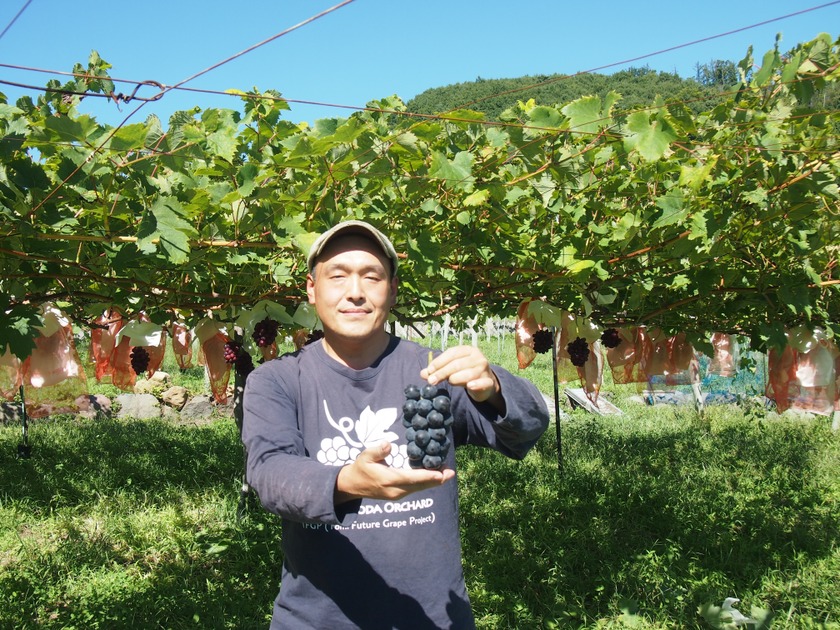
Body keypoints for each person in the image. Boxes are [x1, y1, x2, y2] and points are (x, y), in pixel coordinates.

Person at [241, 220, 550, 629]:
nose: (355, 291)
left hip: (430, 618)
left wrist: (492, 385)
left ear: (393, 289)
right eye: (338, 276)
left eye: (372, 277)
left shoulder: (433, 370)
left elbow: (527, 428)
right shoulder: (277, 379)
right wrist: (346, 482)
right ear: (312, 290)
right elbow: (269, 472)